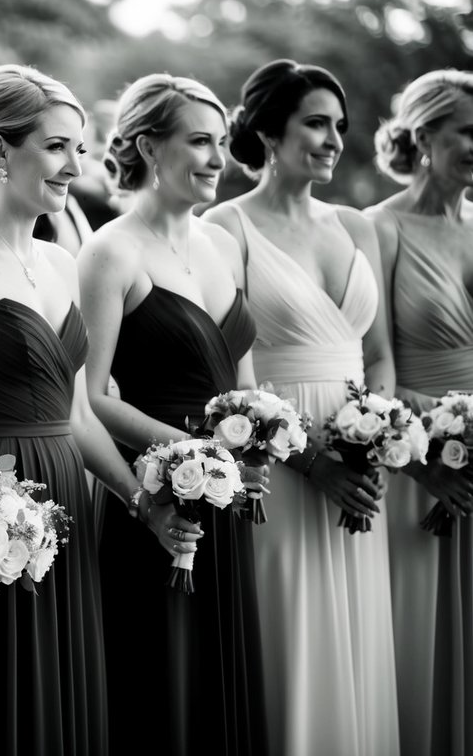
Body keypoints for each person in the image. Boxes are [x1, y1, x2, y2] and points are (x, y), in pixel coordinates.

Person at [0, 64, 143, 755]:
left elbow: (76, 415)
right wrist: (8, 517)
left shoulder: (59, 262)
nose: (76, 165)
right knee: (7, 700)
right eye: (56, 147)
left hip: (68, 507)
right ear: (0, 149)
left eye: (79, 147)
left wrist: (139, 499)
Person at [203, 59, 399, 756]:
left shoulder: (355, 225)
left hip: (357, 463)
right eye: (315, 123)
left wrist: (374, 441)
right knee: (292, 632)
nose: (333, 140)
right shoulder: (221, 229)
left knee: (359, 636)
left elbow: (376, 353)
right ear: (266, 130)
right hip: (276, 465)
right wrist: (313, 461)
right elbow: (233, 374)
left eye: (339, 126)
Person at [78, 73, 267, 756]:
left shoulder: (218, 244)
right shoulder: (109, 251)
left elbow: (244, 384)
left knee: (220, 670)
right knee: (161, 673)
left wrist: (253, 449)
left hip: (229, 494)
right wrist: (193, 455)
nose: (217, 158)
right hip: (155, 492)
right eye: (198, 141)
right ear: (148, 147)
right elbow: (93, 395)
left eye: (220, 142)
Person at [365, 69, 473, 756]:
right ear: (424, 133)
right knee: (424, 646)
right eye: (467, 129)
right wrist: (427, 460)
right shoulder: (379, 227)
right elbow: (368, 367)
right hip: (419, 474)